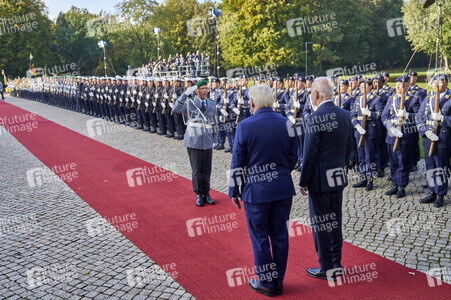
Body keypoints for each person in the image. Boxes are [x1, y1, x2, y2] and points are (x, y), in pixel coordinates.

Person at [228, 84, 297, 297]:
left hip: (256, 192)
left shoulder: (245, 126)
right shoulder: (287, 123)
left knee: (259, 237)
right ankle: (278, 280)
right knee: (279, 235)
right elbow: (294, 158)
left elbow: (238, 161)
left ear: (252, 103)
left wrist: (233, 190)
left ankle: (267, 282)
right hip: (282, 189)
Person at [299, 77, 353, 281]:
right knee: (335, 221)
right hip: (337, 177)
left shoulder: (315, 117)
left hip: (320, 180)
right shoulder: (344, 114)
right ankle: (336, 263)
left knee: (321, 223)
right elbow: (349, 146)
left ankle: (326, 267)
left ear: (315, 94)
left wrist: (303, 181)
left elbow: (309, 155)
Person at [173, 80, 217, 207]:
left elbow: (214, 122)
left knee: (206, 169)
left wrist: (214, 139)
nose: (205, 91)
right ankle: (198, 194)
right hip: (194, 140)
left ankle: (206, 193)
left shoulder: (212, 103)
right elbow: (175, 108)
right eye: (202, 88)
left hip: (207, 139)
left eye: (206, 88)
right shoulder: (190, 102)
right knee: (197, 169)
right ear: (196, 91)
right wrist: (185, 94)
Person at [416, 74, 450, 208]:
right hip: (429, 138)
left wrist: (443, 119)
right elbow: (419, 117)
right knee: (430, 166)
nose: (435, 85)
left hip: (443, 139)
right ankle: (432, 191)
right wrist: (425, 132)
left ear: (446, 84)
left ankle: (440, 194)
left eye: (439, 83)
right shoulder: (429, 97)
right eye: (434, 83)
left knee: (440, 166)